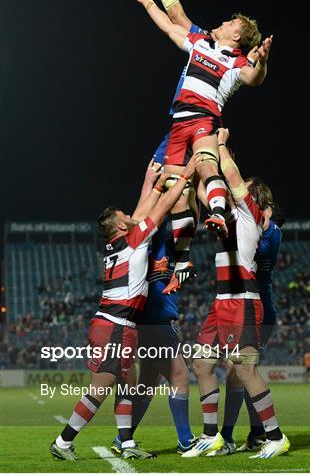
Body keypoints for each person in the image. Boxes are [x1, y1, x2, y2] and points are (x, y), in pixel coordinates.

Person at [50, 153, 201, 461]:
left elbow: (142, 210)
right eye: (126, 216)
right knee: (100, 389)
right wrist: (185, 175)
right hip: (114, 326)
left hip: (121, 325)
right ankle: (63, 442)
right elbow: (156, 211)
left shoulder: (119, 242)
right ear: (121, 224)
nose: (132, 216)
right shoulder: (134, 240)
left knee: (128, 385)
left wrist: (150, 182)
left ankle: (127, 443)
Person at [135, 0, 273, 293]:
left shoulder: (236, 61)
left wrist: (262, 61)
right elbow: (174, 21)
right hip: (179, 122)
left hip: (204, 118)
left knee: (205, 165)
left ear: (236, 36)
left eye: (230, 23)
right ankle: (182, 262)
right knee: (176, 188)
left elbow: (254, 78)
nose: (223, 22)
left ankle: (218, 212)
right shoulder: (201, 42)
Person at [181, 128, 290, 459]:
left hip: (242, 300)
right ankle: (212, 436)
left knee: (244, 369)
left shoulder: (250, 213)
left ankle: (275, 437)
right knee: (201, 363)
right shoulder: (227, 212)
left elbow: (231, 175)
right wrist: (199, 161)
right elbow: (204, 188)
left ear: (256, 197)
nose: (237, 187)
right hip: (222, 301)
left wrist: (222, 145)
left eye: (245, 187)